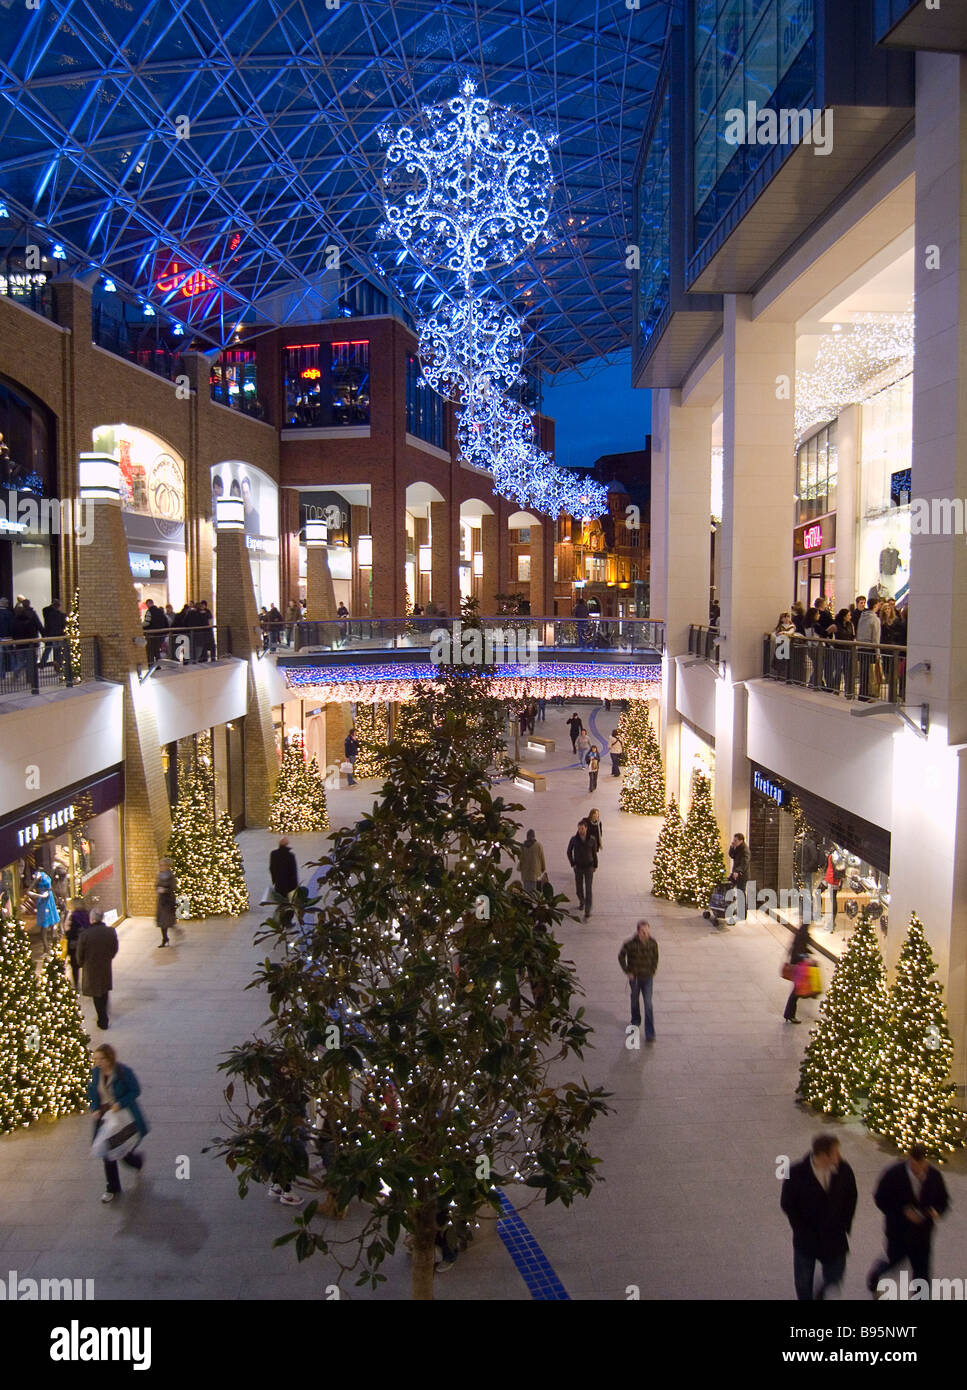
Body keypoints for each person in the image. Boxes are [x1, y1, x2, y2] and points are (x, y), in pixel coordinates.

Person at [780, 1134, 858, 1301]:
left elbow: (852, 1197)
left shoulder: (843, 1170)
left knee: (835, 1275)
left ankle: (822, 1293)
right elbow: (787, 1204)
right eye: (836, 1153)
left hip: (834, 1237)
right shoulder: (795, 1173)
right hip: (807, 1239)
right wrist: (800, 1229)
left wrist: (844, 1223)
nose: (840, 1156)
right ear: (823, 1156)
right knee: (803, 1282)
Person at [867, 1144, 950, 1297]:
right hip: (899, 1231)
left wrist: (936, 1211)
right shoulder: (894, 1174)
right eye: (914, 1165)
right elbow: (880, 1198)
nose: (918, 1169)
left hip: (923, 1233)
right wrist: (902, 1212)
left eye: (922, 1165)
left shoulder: (934, 1176)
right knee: (894, 1260)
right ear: (909, 1159)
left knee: (922, 1271)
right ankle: (876, 1275)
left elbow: (943, 1200)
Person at [88, 1044, 148, 1203]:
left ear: (109, 1058)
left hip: (123, 1118)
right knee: (108, 1152)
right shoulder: (95, 1073)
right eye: (95, 1059)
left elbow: (135, 1091)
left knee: (123, 1151)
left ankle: (136, 1161)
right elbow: (92, 1093)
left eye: (101, 1059)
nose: (98, 1062)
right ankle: (112, 1188)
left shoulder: (123, 1072)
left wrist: (120, 1103)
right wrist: (94, 1108)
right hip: (105, 1118)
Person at [76, 909, 119, 1030]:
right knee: (104, 990)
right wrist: (109, 957)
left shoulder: (85, 934)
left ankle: (102, 1018)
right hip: (105, 965)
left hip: (91, 967)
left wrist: (81, 963)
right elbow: (114, 947)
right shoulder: (110, 931)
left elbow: (80, 953)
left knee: (96, 993)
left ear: (92, 919)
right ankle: (103, 1016)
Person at [618, 920, 658, 1042]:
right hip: (634, 978)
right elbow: (621, 956)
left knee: (648, 1004)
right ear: (638, 931)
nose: (645, 934)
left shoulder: (652, 943)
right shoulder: (630, 943)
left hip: (647, 978)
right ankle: (635, 1020)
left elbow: (655, 957)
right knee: (635, 1000)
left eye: (647, 931)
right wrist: (627, 971)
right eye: (642, 931)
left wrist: (653, 969)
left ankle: (650, 1033)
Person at [783, 921, 816, 1023]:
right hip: (798, 966)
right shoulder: (803, 935)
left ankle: (789, 1014)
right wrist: (806, 956)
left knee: (796, 990)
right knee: (796, 991)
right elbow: (799, 952)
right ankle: (789, 1014)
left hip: (796, 964)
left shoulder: (800, 934)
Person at [566, 819, 598, 921]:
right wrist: (573, 863)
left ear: (586, 828)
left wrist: (595, 865)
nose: (580, 830)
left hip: (589, 867)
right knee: (579, 889)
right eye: (579, 828)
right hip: (578, 867)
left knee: (588, 889)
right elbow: (569, 851)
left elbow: (594, 853)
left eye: (582, 828)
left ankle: (587, 911)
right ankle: (581, 901)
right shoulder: (574, 839)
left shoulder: (592, 839)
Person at [269, 836, 299, 928]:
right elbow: (293, 872)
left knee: (281, 903)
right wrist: (296, 886)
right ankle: (287, 922)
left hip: (279, 884)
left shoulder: (273, 854)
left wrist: (274, 880)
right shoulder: (290, 856)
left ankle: (280, 921)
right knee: (290, 905)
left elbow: (272, 868)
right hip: (290, 886)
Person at [64, 898, 90, 990]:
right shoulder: (87, 914)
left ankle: (76, 984)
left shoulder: (74, 916)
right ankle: (86, 985)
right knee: (86, 966)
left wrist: (67, 933)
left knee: (75, 966)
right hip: (86, 944)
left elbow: (72, 932)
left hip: (75, 945)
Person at [727, 832, 751, 921]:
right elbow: (731, 855)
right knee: (728, 887)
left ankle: (742, 914)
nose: (734, 841)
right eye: (734, 840)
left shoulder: (745, 850)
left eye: (735, 840)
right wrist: (732, 847)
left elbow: (744, 863)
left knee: (741, 893)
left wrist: (738, 871)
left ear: (741, 841)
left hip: (742, 875)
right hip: (735, 873)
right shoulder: (737, 847)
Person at [40, 596, 67, 671]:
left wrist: (45, 634)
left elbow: (47, 625)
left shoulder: (47, 613)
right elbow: (63, 625)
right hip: (58, 635)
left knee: (48, 650)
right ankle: (58, 665)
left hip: (50, 635)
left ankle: (42, 664)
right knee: (57, 651)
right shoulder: (61, 615)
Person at [155, 857, 177, 947]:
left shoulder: (170, 876)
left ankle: (166, 938)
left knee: (166, 920)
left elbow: (173, 887)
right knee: (162, 922)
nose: (161, 867)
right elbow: (156, 885)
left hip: (168, 900)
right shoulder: (160, 875)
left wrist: (165, 889)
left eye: (163, 865)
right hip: (161, 901)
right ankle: (165, 938)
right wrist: (158, 889)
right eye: (161, 865)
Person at [518, 828, 546, 894]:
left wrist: (520, 867)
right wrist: (543, 868)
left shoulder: (523, 846)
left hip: (525, 873)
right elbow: (542, 857)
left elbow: (520, 858)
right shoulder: (538, 845)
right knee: (534, 890)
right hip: (535, 872)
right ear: (534, 836)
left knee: (526, 889)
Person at [142, 598, 168, 665]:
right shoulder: (160, 611)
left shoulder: (149, 611)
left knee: (150, 650)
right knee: (157, 650)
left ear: (148, 603)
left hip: (152, 634)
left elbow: (147, 623)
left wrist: (139, 626)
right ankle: (158, 665)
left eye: (147, 604)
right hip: (160, 634)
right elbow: (166, 622)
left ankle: (151, 664)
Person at [773, 612, 797, 682]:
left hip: (788, 644)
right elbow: (776, 634)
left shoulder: (792, 626)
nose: (787, 619)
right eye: (785, 617)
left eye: (788, 617)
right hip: (780, 644)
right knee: (779, 660)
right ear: (781, 619)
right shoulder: (780, 626)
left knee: (787, 660)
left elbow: (790, 632)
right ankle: (778, 675)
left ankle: (786, 676)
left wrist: (783, 633)